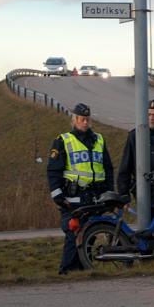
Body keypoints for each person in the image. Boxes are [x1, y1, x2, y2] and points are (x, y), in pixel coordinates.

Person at [46, 103, 115, 275]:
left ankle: (84, 269)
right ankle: (67, 270)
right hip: (73, 199)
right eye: (82, 119)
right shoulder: (63, 141)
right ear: (74, 120)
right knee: (73, 231)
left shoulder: (99, 140)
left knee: (90, 234)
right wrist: (58, 196)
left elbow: (108, 168)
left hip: (95, 197)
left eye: (88, 120)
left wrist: (109, 192)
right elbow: (53, 171)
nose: (85, 123)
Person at [117, 98, 154, 214]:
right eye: (148, 114)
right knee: (147, 228)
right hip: (144, 192)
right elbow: (126, 166)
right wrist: (123, 194)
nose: (151, 118)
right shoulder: (135, 136)